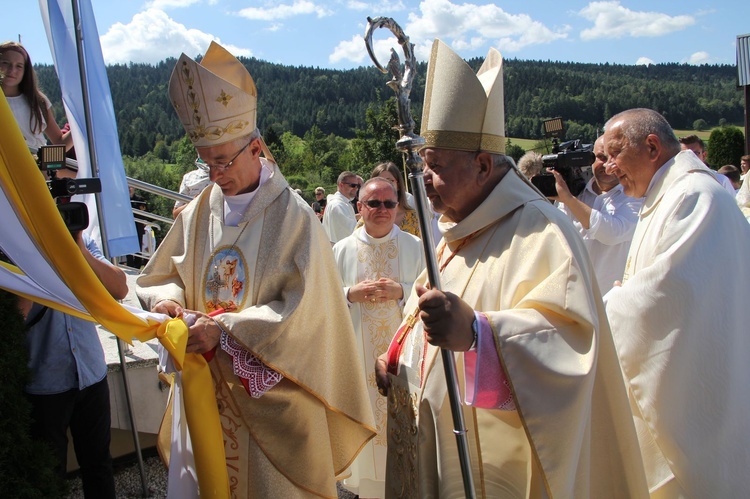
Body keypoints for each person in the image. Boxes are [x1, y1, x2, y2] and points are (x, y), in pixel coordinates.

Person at [375, 39, 647, 498]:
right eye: (423, 165)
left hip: (503, 469)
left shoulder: (543, 231)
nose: (424, 180)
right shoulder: (460, 228)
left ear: (483, 165)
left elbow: (570, 345)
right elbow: (423, 309)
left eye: (435, 165)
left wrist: (478, 334)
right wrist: (396, 355)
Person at [135, 42, 375, 498]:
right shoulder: (198, 209)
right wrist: (164, 301)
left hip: (272, 404)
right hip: (205, 387)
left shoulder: (295, 217)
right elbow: (159, 275)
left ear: (257, 147)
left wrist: (223, 330)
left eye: (224, 160)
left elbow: (308, 312)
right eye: (208, 162)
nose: (217, 173)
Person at [603, 108, 750, 497]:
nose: (609, 166)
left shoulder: (694, 197)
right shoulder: (670, 192)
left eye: (615, 154)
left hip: (701, 401)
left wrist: (607, 307)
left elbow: (666, 298)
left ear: (651, 146)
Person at [333, 178, 425, 498]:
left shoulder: (415, 246)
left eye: (389, 203)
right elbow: (324, 301)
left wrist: (402, 291)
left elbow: (432, 295)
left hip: (406, 364)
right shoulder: (341, 250)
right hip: (358, 361)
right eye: (374, 203)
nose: (382, 210)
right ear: (360, 208)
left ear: (398, 207)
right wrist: (348, 294)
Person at [19, 231, 127, 499]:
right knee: (48, 471)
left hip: (90, 373)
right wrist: (34, 258)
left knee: (99, 463)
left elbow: (120, 288)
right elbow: (15, 317)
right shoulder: (15, 243)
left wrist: (79, 249)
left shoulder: (82, 240)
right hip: (44, 380)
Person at [551, 136, 642, 292]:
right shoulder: (574, 193)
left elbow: (612, 232)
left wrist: (569, 200)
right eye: (600, 157)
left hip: (610, 299)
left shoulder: (635, 196)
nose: (607, 164)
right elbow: (556, 236)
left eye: (614, 156)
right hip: (574, 295)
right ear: (589, 158)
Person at [0, 41, 71, 151]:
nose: (12, 70)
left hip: (33, 166)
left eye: (19, 66)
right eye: (5, 63)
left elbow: (60, 143)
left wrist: (85, 125)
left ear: (25, 71)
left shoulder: (37, 101)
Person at [369, 162, 421, 238]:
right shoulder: (367, 217)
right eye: (379, 181)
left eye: (389, 180)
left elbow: (422, 248)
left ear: (398, 185)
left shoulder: (414, 218)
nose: (384, 185)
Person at [322, 171, 360, 244]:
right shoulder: (338, 205)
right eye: (353, 185)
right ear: (341, 185)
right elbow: (353, 231)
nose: (356, 188)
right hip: (342, 252)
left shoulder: (343, 203)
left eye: (357, 186)